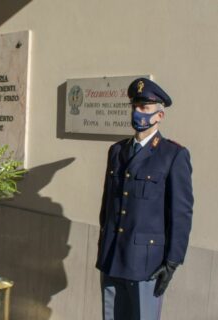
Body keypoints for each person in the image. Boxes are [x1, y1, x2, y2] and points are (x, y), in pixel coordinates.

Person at [96, 78, 194, 320]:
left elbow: (181, 213)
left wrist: (172, 261)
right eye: (134, 107)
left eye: (144, 108)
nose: (137, 113)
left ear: (159, 116)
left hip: (146, 264)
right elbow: (107, 204)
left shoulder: (173, 155)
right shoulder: (117, 151)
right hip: (111, 257)